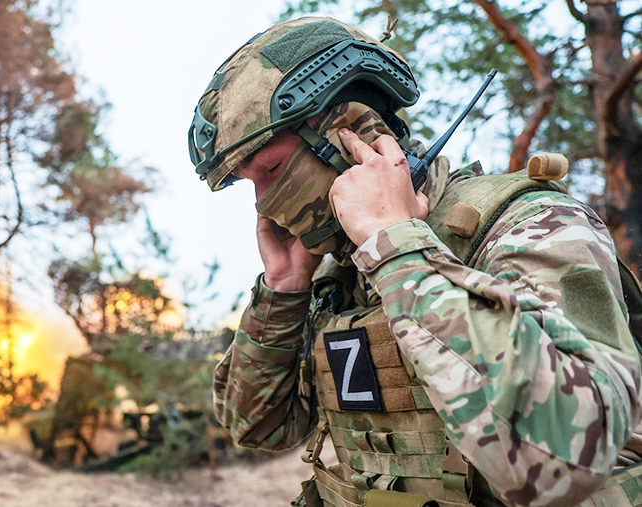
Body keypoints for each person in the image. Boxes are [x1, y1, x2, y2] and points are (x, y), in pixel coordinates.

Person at [188, 16, 642, 507]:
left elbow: (568, 454)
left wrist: (394, 243)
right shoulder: (334, 275)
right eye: (248, 184)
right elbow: (257, 427)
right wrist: (282, 288)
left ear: (348, 138)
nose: (263, 204)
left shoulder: (530, 224)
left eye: (272, 169)